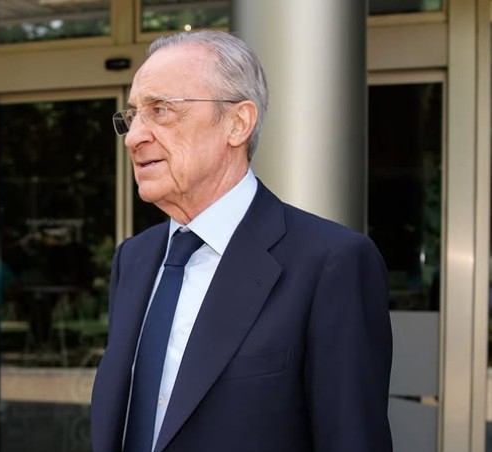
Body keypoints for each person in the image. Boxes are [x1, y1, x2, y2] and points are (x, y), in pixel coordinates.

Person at [91, 30, 393, 452]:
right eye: (133, 116)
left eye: (160, 110)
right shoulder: (134, 259)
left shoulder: (331, 262)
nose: (134, 136)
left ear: (237, 123)